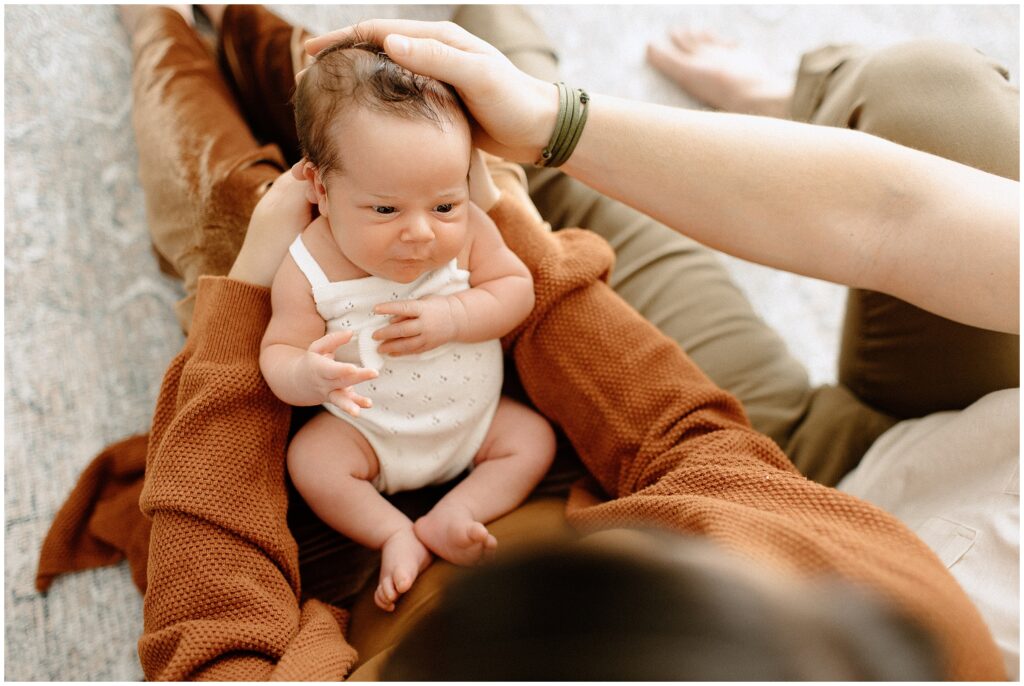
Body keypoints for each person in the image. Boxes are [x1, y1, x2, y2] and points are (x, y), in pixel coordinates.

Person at [38, 4, 1014, 680]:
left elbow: (212, 628)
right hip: (784, 464)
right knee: (466, 137)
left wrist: (247, 307)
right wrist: (526, 189)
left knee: (230, 194)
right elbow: (692, 439)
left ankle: (161, 27)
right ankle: (459, 69)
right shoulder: (886, 604)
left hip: (406, 464)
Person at [259, 37, 555, 611]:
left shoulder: (467, 233)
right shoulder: (308, 266)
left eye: (443, 205)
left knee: (532, 439)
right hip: (369, 437)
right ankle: (392, 531)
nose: (421, 233)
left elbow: (515, 290)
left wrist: (455, 316)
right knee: (312, 462)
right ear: (321, 189)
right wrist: (307, 373)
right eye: (386, 210)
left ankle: (458, 511)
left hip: (477, 423)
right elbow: (278, 351)